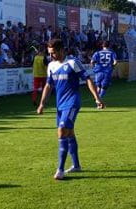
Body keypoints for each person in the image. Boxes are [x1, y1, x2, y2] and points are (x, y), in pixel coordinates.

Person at [36, 39, 104, 180]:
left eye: (54, 53)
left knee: (61, 131)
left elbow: (88, 79)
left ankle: (60, 170)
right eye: (50, 53)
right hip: (60, 105)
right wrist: (42, 103)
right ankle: (76, 166)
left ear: (62, 50)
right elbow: (48, 86)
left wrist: (96, 98)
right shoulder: (51, 66)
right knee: (69, 132)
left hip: (72, 102)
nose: (52, 56)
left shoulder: (73, 62)